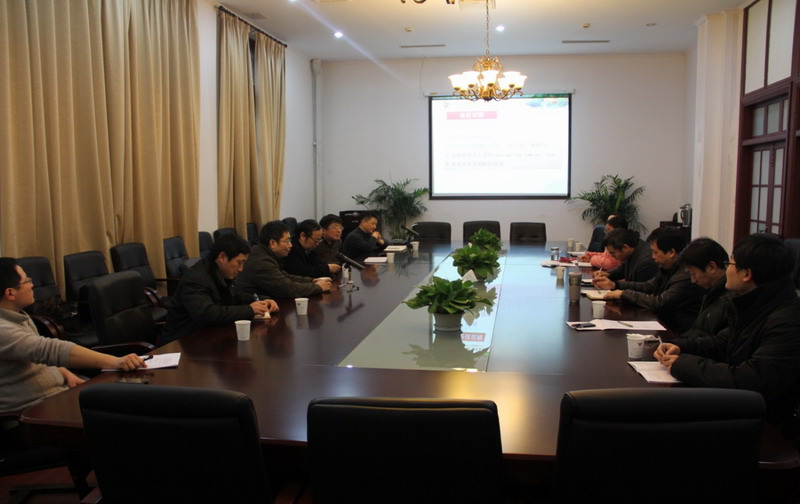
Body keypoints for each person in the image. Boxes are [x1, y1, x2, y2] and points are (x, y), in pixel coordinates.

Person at [655, 233, 800, 435]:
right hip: (742, 409)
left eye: (730, 264)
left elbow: (753, 379)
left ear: (746, 274)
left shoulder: (787, 320)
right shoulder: (754, 302)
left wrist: (684, 364)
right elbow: (723, 341)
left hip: (768, 424)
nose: (727, 269)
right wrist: (681, 346)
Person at [0, 258, 146, 414]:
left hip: (60, 392)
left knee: (136, 398)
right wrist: (114, 361)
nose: (32, 285)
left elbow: (37, 357)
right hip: (34, 410)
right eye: (26, 281)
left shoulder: (18, 315)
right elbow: (48, 350)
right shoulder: (3, 329)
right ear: (10, 293)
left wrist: (66, 374)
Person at [161, 234, 278, 345]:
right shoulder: (195, 279)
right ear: (222, 257)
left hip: (207, 336)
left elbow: (235, 296)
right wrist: (249, 310)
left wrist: (261, 301)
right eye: (239, 263)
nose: (241, 269)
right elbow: (206, 314)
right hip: (182, 342)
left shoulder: (220, 271)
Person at [595, 227, 704, 334]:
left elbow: (660, 303)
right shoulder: (667, 267)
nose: (653, 256)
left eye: (655, 252)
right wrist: (616, 285)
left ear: (671, 252)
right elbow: (648, 286)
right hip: (665, 325)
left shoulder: (686, 276)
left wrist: (623, 294)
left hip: (677, 332)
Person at [236, 220, 332, 300]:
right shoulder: (261, 262)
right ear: (273, 243)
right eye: (287, 241)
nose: (290, 245)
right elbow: (286, 288)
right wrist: (317, 287)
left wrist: (313, 281)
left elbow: (285, 276)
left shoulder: (265, 254)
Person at [676, 237, 731, 339]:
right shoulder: (711, 291)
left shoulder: (730, 300)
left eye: (693, 274)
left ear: (712, 267)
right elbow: (698, 331)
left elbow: (715, 342)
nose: (693, 280)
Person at [592, 228, 657, 284]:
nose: (611, 256)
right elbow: (622, 269)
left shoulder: (645, 262)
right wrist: (607, 274)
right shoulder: (634, 248)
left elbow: (639, 288)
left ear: (625, 248)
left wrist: (614, 285)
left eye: (613, 253)